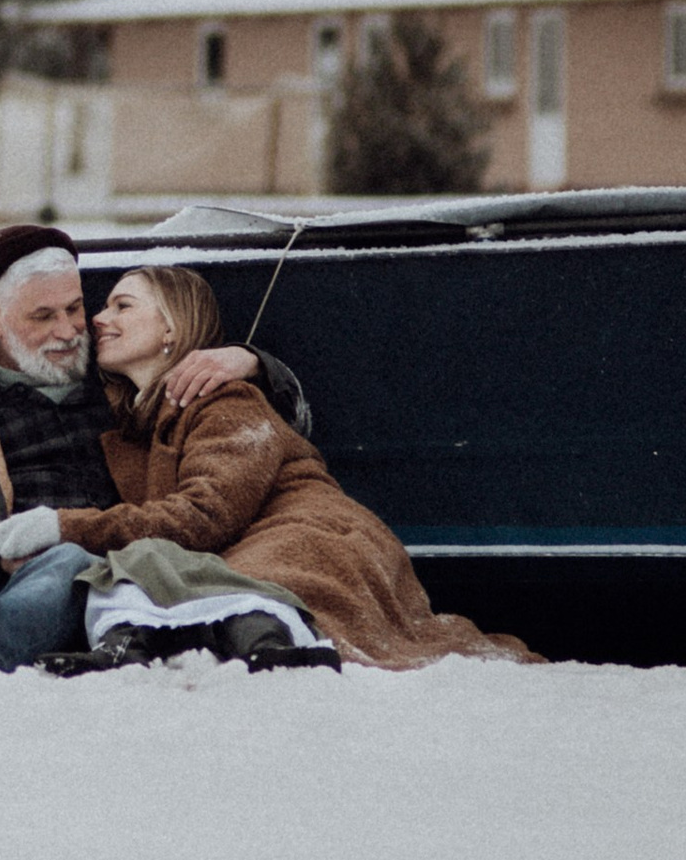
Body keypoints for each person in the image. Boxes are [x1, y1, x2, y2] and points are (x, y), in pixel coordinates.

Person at [0, 224, 311, 674]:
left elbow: (250, 418)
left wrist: (250, 360)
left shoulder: (115, 368)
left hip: (95, 563)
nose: (68, 331)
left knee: (68, 562)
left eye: (75, 308)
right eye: (42, 317)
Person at [49, 264, 535, 670]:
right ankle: (125, 648)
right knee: (131, 564)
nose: (98, 318)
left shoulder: (226, 399)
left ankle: (275, 653)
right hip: (233, 545)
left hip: (313, 534)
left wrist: (62, 527)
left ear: (172, 328)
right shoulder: (131, 425)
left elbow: (204, 515)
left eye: (122, 305)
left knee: (253, 580)